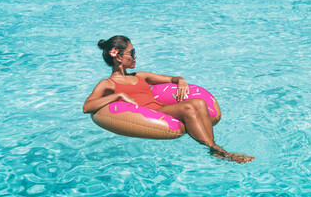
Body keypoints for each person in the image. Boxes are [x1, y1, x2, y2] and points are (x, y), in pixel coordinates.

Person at [83, 35, 254, 163]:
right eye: (132, 52)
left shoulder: (140, 75)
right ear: (118, 57)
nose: (135, 56)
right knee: (188, 108)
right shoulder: (107, 84)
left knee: (199, 102)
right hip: (149, 113)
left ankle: (214, 148)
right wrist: (117, 95)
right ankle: (218, 150)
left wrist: (181, 80)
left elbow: (172, 79)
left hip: (161, 108)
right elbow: (87, 107)